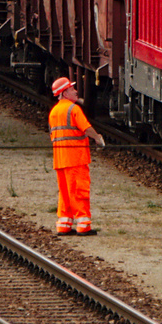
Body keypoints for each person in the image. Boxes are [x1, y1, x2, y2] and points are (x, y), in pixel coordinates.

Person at [48, 76, 104, 235]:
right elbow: (86, 129)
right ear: (65, 93)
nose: (76, 91)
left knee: (64, 195)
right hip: (76, 159)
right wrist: (98, 138)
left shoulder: (54, 112)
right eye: (72, 89)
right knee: (80, 192)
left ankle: (64, 226)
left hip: (60, 160)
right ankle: (83, 226)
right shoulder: (73, 109)